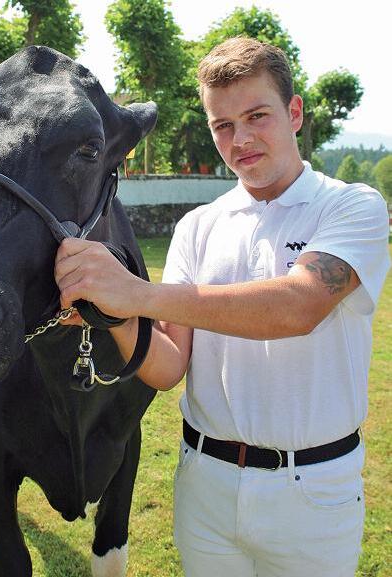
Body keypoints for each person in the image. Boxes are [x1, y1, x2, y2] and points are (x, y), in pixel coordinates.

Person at [54, 37, 390, 577]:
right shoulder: (198, 226)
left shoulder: (351, 205)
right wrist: (113, 315)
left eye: (257, 116)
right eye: (223, 125)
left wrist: (137, 294)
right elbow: (167, 367)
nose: (241, 139)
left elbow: (298, 307)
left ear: (294, 113)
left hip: (312, 491)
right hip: (205, 483)